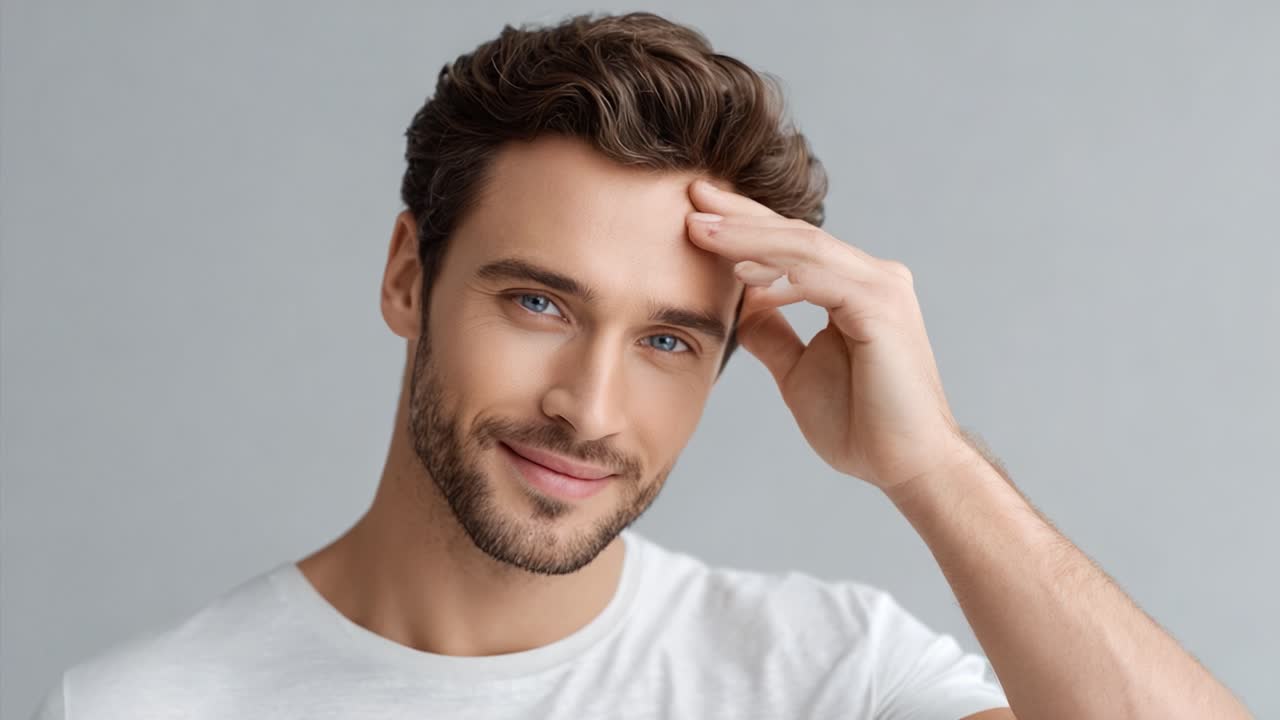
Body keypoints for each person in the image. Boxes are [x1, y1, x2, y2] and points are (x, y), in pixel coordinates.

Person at [31, 11, 1251, 720]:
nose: (589, 408)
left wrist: (930, 467)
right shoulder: (143, 707)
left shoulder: (820, 678)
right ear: (408, 276)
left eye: (669, 340)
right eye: (538, 303)